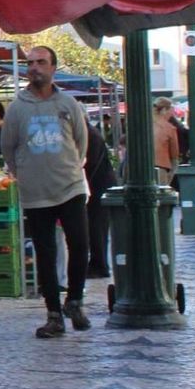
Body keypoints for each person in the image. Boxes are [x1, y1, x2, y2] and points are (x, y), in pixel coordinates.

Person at [3, 44, 91, 338]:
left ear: (53, 67)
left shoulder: (68, 104)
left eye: (41, 62)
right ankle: (54, 313)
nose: (35, 67)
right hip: (35, 192)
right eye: (30, 63)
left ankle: (75, 300)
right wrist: (25, 173)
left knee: (80, 244)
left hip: (70, 186)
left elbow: (81, 143)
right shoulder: (17, 108)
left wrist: (68, 167)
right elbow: (8, 148)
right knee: (45, 252)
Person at [82, 119, 116, 280]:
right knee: (96, 227)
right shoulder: (90, 133)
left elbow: (89, 162)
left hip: (98, 187)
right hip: (97, 186)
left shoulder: (90, 135)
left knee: (97, 227)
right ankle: (97, 263)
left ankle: (100, 265)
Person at [152, 96, 181, 187]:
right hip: (161, 169)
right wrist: (171, 175)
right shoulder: (169, 128)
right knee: (161, 198)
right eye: (171, 110)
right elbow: (174, 156)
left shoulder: (143, 124)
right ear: (164, 110)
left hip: (139, 172)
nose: (172, 113)